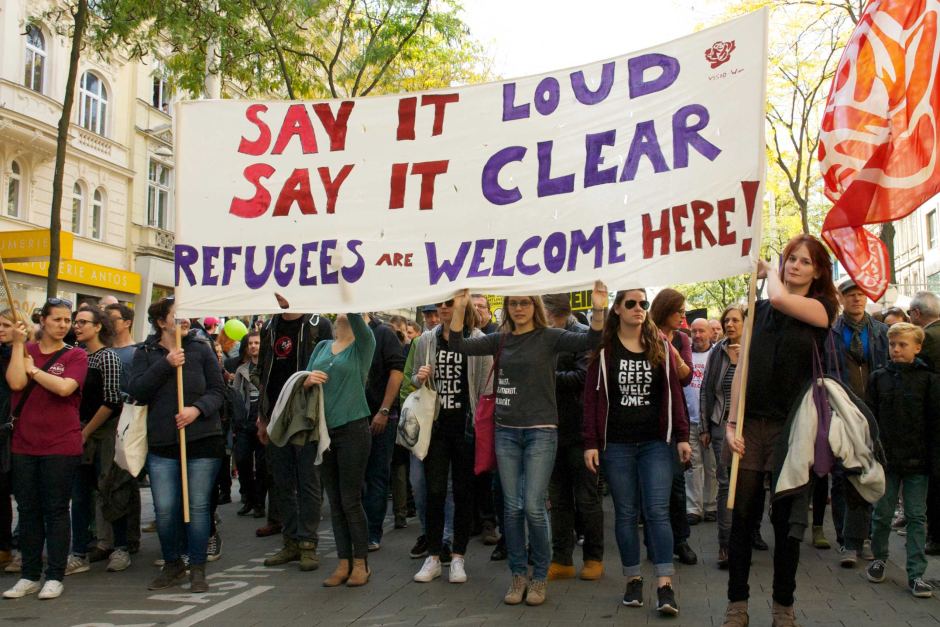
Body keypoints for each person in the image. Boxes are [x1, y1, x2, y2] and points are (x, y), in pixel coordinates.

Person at [447, 282, 608, 607]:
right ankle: (518, 574)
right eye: (513, 303)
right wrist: (461, 309)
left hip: (541, 433)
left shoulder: (551, 338)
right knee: (513, 506)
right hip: (506, 431)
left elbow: (593, 340)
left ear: (535, 305)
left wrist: (600, 309)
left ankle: (539, 577)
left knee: (534, 507)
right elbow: (459, 345)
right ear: (506, 308)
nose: (518, 308)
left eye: (524, 303)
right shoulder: (501, 339)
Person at [722, 234, 839, 627]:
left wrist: (769, 269)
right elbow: (744, 366)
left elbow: (785, 300)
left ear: (818, 271)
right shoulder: (759, 309)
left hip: (794, 429)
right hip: (751, 426)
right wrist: (731, 422)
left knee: (786, 523)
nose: (795, 266)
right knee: (742, 518)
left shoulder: (822, 308)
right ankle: (736, 604)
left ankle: (783, 607)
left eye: (805, 262)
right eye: (791, 259)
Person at [583, 289, 692, 616]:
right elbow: (591, 401)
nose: (639, 308)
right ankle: (632, 577)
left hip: (655, 444)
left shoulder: (659, 346)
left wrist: (682, 436)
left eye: (643, 303)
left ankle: (664, 584)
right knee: (627, 512)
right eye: (631, 303)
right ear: (617, 309)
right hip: (616, 445)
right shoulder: (604, 351)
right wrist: (590, 443)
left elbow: (675, 393)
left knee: (657, 510)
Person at [128, 297, 225, 593]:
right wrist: (165, 364)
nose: (184, 320)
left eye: (186, 315)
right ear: (161, 322)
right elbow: (137, 391)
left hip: (202, 441)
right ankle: (173, 563)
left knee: (196, 507)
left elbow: (218, 390)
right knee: (166, 509)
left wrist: (196, 409)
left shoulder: (200, 349)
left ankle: (197, 566)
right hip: (163, 442)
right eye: (176, 315)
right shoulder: (146, 353)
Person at [3, 298, 88, 600]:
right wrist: (17, 345)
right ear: (43, 320)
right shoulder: (25, 351)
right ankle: (29, 574)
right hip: (24, 443)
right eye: (58, 320)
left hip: (60, 444)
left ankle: (55, 574)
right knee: (27, 511)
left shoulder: (76, 354)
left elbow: (65, 388)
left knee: (55, 510)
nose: (64, 325)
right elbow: (15, 383)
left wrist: (35, 372)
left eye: (68, 320)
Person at [410, 298, 492, 584]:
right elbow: (414, 378)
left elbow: (485, 386)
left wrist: (481, 425)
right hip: (435, 426)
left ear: (462, 305)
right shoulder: (426, 340)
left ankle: (458, 557)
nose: (443, 308)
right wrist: (419, 377)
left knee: (463, 492)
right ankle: (433, 556)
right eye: (439, 304)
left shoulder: (478, 340)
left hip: (466, 427)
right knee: (434, 491)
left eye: (449, 303)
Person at [865, 323, 940, 598]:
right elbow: (869, 420)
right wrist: (871, 453)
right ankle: (879, 557)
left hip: (918, 462)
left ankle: (916, 573)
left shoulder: (928, 380)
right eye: (892, 344)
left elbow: (934, 424)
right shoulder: (878, 378)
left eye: (902, 344)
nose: (896, 349)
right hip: (886, 461)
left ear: (917, 347)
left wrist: (934, 461)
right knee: (883, 513)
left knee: (916, 516)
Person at [253, 305, 332, 550]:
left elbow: (330, 366)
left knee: (308, 479)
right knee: (281, 481)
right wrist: (263, 416)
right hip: (276, 415)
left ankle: (307, 541)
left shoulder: (318, 324)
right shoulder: (269, 326)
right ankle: (290, 540)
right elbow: (263, 371)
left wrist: (310, 380)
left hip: (305, 416)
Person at [306, 314, 376, 587]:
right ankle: (343, 562)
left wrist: (349, 292)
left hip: (353, 429)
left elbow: (356, 313)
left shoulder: (363, 344)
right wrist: (309, 380)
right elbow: (304, 377)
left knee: (350, 499)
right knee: (334, 502)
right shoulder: (322, 346)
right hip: (324, 429)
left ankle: (361, 563)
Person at [825, 278, 888, 566]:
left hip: (874, 413)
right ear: (841, 298)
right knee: (843, 476)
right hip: (842, 410)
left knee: (872, 473)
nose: (857, 300)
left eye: (861, 295)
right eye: (850, 295)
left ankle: (866, 538)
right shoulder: (830, 333)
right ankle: (845, 540)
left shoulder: (881, 332)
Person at [541, 293, 604, 582]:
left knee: (587, 498)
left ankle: (593, 557)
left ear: (556, 311)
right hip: (550, 428)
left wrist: (545, 376)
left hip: (580, 430)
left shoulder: (581, 335)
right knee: (559, 499)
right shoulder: (540, 335)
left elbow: (583, 377)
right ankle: (562, 558)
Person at [67, 307, 132, 576]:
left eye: (83, 322)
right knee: (80, 495)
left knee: (111, 489)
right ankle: (79, 551)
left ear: (97, 327)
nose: (77, 326)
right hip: (77, 433)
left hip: (103, 434)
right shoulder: (76, 356)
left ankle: (122, 547)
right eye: (76, 321)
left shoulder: (107, 358)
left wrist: (86, 431)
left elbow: (112, 400)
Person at [649, 288, 697, 566]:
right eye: (678, 310)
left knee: (677, 485)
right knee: (652, 487)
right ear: (665, 309)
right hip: (649, 419)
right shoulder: (642, 335)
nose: (682, 315)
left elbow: (686, 376)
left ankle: (681, 540)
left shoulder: (681, 340)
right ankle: (654, 542)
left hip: (674, 420)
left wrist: (669, 348)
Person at [699, 304, 745, 569]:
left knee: (747, 484)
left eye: (735, 320)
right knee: (725, 482)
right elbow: (706, 389)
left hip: (748, 428)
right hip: (720, 425)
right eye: (726, 320)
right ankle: (725, 545)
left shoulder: (753, 351)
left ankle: (748, 537)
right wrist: (705, 427)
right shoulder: (717, 352)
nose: (729, 325)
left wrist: (746, 362)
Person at [362, 314, 405, 552]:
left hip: (379, 416)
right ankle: (357, 530)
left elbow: (396, 371)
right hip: (351, 419)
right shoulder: (342, 334)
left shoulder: (383, 334)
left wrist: (385, 409)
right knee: (355, 478)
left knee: (376, 475)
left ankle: (372, 532)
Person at [908, 291, 940, 555]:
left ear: (917, 314)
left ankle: (936, 535)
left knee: (935, 480)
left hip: (932, 420)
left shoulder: (926, 339)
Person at [684, 318, 717, 526]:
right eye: (694, 331)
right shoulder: (685, 355)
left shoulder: (716, 355)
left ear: (709, 333)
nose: (697, 335)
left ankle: (711, 505)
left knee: (712, 466)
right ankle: (693, 508)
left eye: (701, 331)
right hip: (689, 420)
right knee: (692, 466)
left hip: (712, 421)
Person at [233, 332, 267, 519]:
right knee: (243, 460)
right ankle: (249, 498)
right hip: (245, 420)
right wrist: (238, 423)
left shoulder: (268, 367)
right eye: (250, 343)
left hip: (263, 418)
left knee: (262, 465)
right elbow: (236, 396)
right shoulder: (242, 370)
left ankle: (259, 503)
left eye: (257, 343)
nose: (254, 346)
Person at [0, 312, 15, 570]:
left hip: (9, 431)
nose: (0, 329)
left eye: (6, 325)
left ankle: (5, 546)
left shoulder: (17, 355)